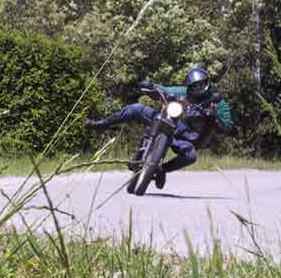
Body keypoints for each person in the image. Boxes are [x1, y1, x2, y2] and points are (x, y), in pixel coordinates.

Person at [85, 66, 232, 188]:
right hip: (169, 122)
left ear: (207, 83)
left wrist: (214, 117)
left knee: (191, 156)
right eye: (195, 86)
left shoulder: (219, 103)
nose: (199, 88)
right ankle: (102, 124)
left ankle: (162, 170)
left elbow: (227, 126)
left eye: (201, 84)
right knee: (136, 108)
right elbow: (166, 90)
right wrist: (151, 86)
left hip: (187, 137)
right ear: (190, 87)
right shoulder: (184, 92)